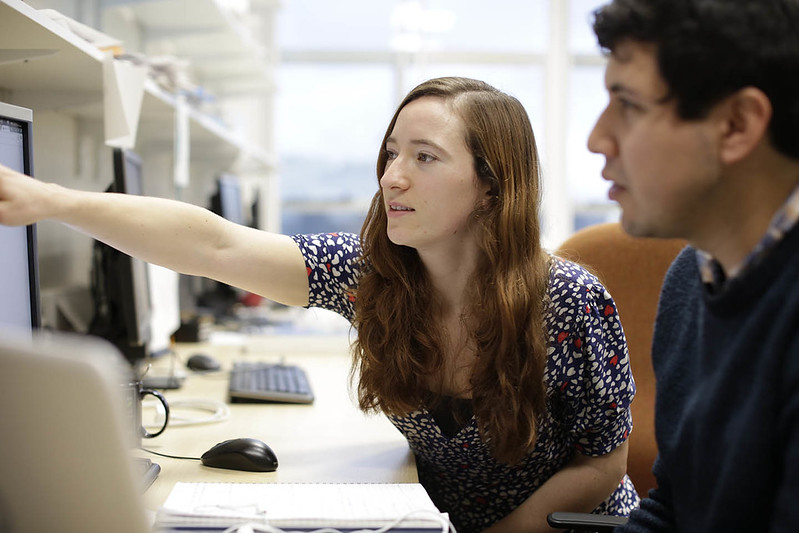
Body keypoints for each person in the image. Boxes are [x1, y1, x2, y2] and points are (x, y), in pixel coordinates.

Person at [0, 77, 639, 532]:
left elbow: (605, 462)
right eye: (391, 153)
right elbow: (216, 246)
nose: (392, 176)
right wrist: (53, 202)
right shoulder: (374, 278)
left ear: (491, 188)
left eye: (425, 157)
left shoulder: (570, 304)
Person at [587, 0, 799, 531]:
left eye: (628, 104)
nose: (597, 139)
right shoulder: (691, 279)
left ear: (736, 124)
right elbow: (673, 508)